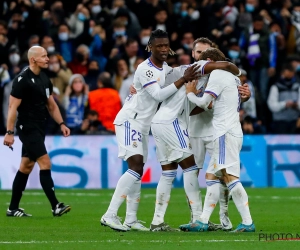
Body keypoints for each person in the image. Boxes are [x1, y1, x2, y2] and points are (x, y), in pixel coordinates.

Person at [100, 29, 200, 232]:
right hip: (130, 121)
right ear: (150, 47)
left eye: (166, 45)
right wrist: (183, 80)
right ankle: (110, 214)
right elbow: (157, 95)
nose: (164, 49)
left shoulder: (163, 68)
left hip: (144, 126)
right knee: (135, 167)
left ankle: (131, 219)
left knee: (138, 170)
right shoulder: (145, 69)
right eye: (159, 46)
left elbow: (174, 78)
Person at [149, 54, 241, 231]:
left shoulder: (190, 76)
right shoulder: (199, 67)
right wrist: (235, 71)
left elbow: (195, 107)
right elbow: (227, 65)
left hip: (159, 121)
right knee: (191, 169)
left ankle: (157, 221)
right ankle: (198, 219)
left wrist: (200, 100)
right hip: (172, 122)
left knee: (168, 172)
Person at [179, 48, 255, 233]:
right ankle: (203, 221)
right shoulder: (235, 78)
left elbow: (206, 102)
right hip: (232, 130)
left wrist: (190, 93)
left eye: (204, 65)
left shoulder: (218, 74)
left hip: (224, 132)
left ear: (210, 61)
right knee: (212, 176)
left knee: (230, 177)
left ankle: (247, 222)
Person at [3, 46, 71, 217]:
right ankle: (56, 206)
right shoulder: (22, 80)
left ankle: (12, 208)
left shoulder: (44, 78)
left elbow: (51, 105)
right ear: (33, 59)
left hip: (40, 127)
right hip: (27, 127)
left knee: (26, 167)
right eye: (44, 56)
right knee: (45, 162)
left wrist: (62, 123)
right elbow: (12, 107)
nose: (48, 59)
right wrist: (9, 132)